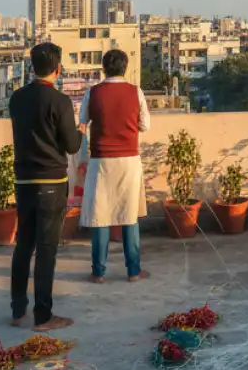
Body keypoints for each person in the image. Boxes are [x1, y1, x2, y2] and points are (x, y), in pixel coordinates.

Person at [8, 41, 83, 330]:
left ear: (32, 67)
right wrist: (80, 131)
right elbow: (71, 144)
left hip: (23, 180)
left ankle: (18, 310)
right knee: (46, 249)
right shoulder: (60, 101)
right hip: (51, 181)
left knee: (23, 246)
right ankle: (43, 315)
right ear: (58, 68)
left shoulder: (17, 99)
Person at [77, 48, 151, 283]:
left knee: (101, 216)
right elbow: (145, 125)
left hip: (101, 161)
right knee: (129, 215)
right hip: (129, 160)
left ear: (103, 68)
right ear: (125, 68)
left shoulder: (93, 93)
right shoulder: (135, 92)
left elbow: (82, 121)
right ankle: (133, 271)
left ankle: (98, 272)